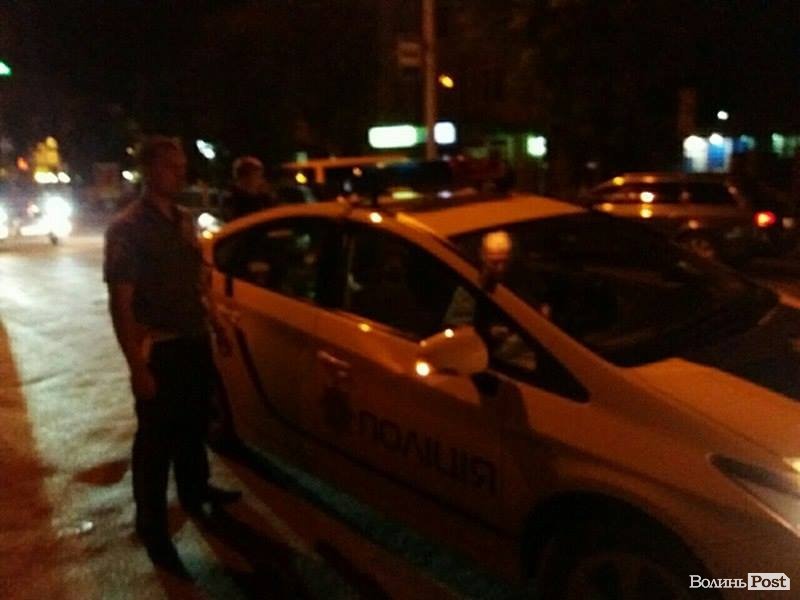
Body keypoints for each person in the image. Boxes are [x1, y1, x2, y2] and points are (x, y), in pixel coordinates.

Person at [103, 136, 240, 577]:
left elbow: (198, 281)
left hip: (194, 339)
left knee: (194, 424)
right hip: (159, 347)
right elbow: (121, 302)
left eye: (182, 166)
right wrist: (136, 366)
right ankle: (153, 527)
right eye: (171, 166)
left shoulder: (183, 220)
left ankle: (195, 491)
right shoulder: (127, 228)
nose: (180, 173)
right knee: (156, 443)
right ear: (149, 170)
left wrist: (215, 321)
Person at [220, 155, 273, 221]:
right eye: (257, 175)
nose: (261, 180)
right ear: (244, 178)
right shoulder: (231, 198)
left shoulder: (263, 196)